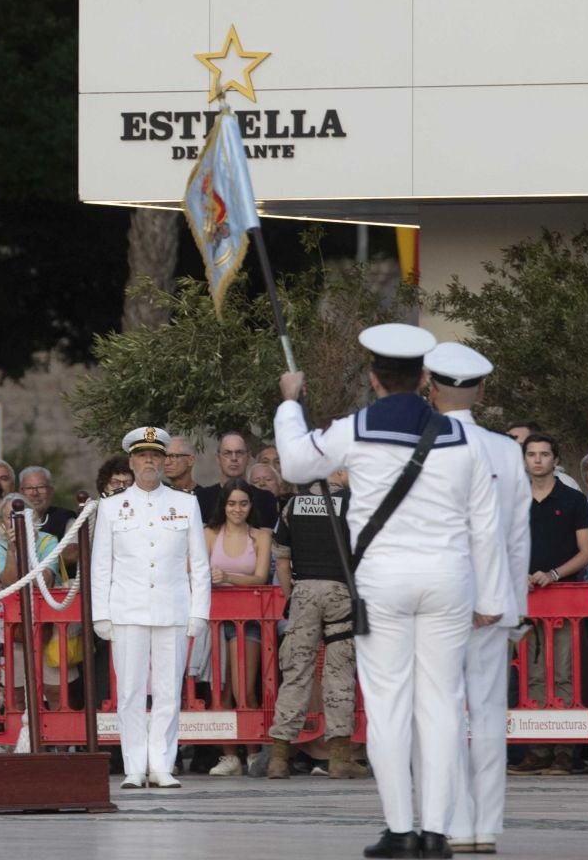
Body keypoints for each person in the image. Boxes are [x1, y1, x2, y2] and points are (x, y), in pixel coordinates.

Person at [275, 324, 509, 860]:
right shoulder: (463, 438)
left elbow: (293, 463)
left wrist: (291, 403)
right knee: (443, 706)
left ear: (374, 378)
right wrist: (490, 599)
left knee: (388, 707)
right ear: (424, 377)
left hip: (381, 578)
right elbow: (485, 527)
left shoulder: (355, 428)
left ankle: (401, 830)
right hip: (450, 578)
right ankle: (437, 833)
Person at [425, 343, 529, 854]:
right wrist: (515, 606)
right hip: (493, 600)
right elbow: (516, 538)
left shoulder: (419, 445)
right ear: (482, 391)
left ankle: (454, 822)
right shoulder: (507, 451)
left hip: (437, 597)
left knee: (441, 709)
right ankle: (486, 826)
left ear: (429, 387)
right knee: (488, 712)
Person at [91, 427, 209, 789]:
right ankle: (134, 766)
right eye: (143, 456)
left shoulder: (185, 503)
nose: (149, 462)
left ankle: (161, 763)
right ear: (132, 461)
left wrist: (199, 611)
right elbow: (101, 566)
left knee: (168, 690)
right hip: (127, 609)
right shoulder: (111, 507)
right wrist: (101, 613)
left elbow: (199, 564)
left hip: (172, 608)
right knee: (128, 692)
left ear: (164, 462)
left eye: (156, 456)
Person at [266, 471, 361, 781]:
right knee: (339, 674)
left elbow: (281, 560)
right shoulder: (353, 504)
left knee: (296, 674)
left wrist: (291, 595)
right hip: (341, 595)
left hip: (304, 592)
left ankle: (279, 757)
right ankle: (339, 759)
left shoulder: (293, 505)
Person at [509, 430, 588, 777]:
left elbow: (587, 551)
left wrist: (554, 574)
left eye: (545, 454)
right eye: (532, 454)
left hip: (565, 600)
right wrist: (520, 574)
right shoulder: (512, 500)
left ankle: (564, 752)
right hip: (523, 601)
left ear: (556, 460)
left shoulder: (573, 500)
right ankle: (537, 750)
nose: (539, 460)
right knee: (531, 674)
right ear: (525, 459)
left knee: (564, 673)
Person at [202, 479, 271, 776]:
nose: (237, 509)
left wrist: (227, 577)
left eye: (243, 503)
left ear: (251, 506)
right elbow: (197, 571)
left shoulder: (261, 536)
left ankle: (253, 750)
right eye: (232, 503)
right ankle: (229, 755)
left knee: (244, 685)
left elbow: (260, 578)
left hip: (251, 618)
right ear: (223, 506)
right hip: (214, 619)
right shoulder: (209, 533)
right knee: (221, 689)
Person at [195, 432, 280, 528]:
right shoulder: (201, 498)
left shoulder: (266, 499)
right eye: (227, 453)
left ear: (248, 457)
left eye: (239, 453)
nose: (234, 458)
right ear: (218, 458)